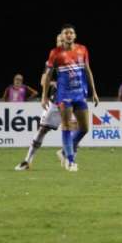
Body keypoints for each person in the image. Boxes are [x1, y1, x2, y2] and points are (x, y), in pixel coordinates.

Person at [15, 33, 77, 171]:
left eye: (62, 41)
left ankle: (66, 156)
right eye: (58, 41)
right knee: (43, 129)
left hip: (72, 100)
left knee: (78, 128)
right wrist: (53, 85)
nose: (61, 43)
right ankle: (27, 161)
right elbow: (43, 81)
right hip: (56, 101)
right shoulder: (52, 60)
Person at [42, 24, 99, 172]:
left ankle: (64, 152)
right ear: (62, 36)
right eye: (66, 33)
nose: (68, 35)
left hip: (80, 94)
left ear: (75, 35)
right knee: (66, 126)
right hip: (64, 95)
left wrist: (94, 92)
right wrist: (44, 96)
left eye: (71, 32)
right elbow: (48, 76)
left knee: (84, 128)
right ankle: (70, 160)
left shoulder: (82, 49)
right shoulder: (55, 53)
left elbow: (88, 70)